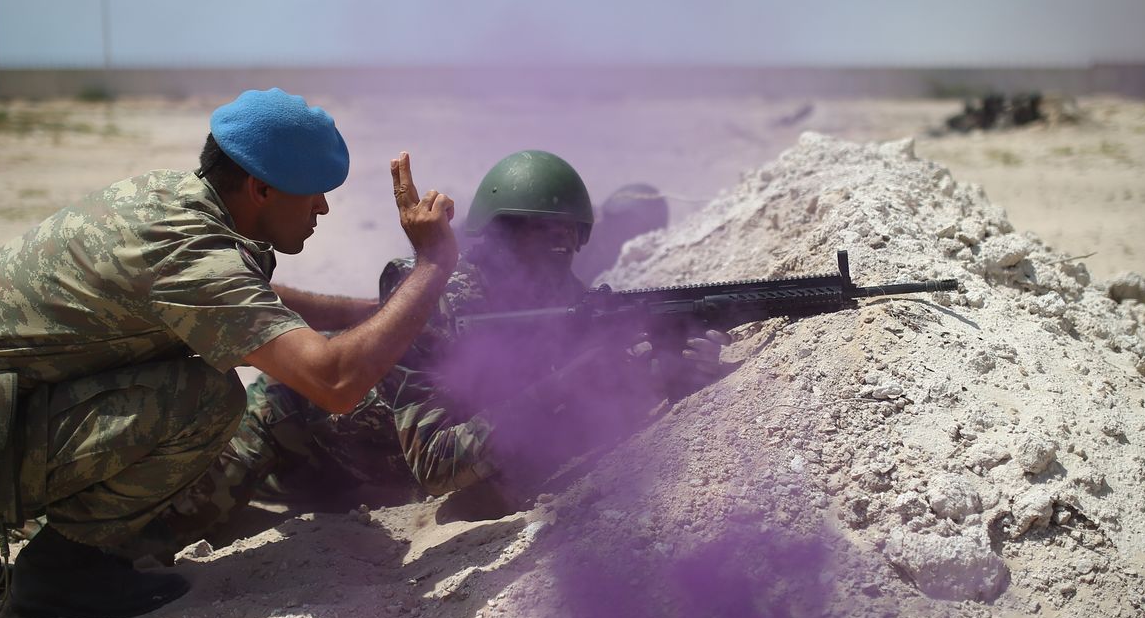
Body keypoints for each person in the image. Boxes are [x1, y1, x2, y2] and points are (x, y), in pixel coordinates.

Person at [0, 88, 458, 618]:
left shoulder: (173, 200)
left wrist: (368, 310)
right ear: (261, 188)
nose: (323, 210)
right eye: (315, 195)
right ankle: (60, 569)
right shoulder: (190, 254)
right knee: (206, 396)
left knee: (188, 358)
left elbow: (246, 304)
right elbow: (334, 383)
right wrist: (430, 268)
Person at [150, 150, 728, 552]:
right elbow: (436, 465)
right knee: (171, 528)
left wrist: (667, 376)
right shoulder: (440, 303)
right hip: (294, 433)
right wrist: (565, 384)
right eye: (535, 236)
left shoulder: (569, 303)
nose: (556, 252)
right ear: (493, 238)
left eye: (569, 237)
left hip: (377, 478)